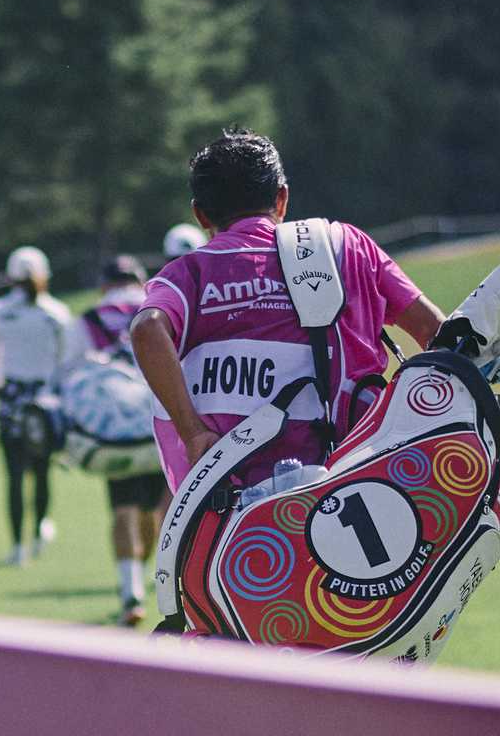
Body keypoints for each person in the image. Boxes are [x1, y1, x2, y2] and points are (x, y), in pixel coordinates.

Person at [130, 128, 445, 500]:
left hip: (240, 513)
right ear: (282, 198)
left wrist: (192, 432)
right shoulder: (347, 246)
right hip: (364, 485)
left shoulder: (188, 275)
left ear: (200, 214)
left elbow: (147, 329)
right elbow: (435, 332)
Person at [61, 254, 166, 627]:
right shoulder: (159, 308)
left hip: (114, 429)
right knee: (158, 507)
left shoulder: (87, 320)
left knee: (123, 507)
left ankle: (130, 591)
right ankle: (155, 576)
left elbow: (69, 373)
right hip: (160, 424)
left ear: (104, 285)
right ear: (140, 281)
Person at [0, 245, 69, 564]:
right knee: (43, 471)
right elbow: (65, 360)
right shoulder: (56, 313)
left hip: (11, 397)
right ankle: (38, 535)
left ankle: (17, 547)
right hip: (44, 399)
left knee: (14, 474)